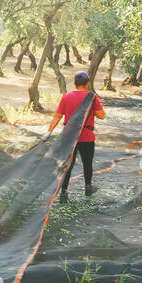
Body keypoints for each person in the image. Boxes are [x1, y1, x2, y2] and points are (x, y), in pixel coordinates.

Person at [47, 70, 106, 202]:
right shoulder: (92, 97)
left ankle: (63, 192)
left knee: (68, 164)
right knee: (87, 162)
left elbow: (57, 116)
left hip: (69, 137)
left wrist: (49, 131)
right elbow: (101, 115)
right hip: (86, 137)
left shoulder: (66, 96)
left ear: (74, 83)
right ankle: (88, 187)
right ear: (88, 83)